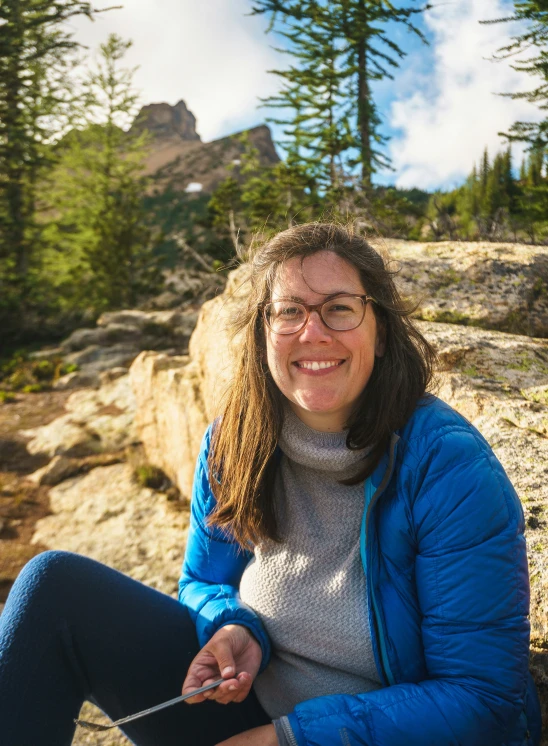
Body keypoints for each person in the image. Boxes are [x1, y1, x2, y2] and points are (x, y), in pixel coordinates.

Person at [0, 222, 541, 746]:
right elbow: (199, 582)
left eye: (339, 308)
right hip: (248, 709)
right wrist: (234, 627)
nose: (313, 331)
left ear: (380, 335)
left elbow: (481, 700)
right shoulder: (235, 442)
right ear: (263, 334)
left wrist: (289, 738)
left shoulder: (448, 468)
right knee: (54, 588)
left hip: (370, 734)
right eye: (289, 311)